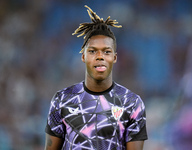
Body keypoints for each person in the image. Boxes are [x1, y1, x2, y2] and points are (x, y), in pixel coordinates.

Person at [44, 5, 148, 150]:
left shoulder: (132, 103)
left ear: (115, 57)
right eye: (93, 51)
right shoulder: (61, 100)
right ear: (83, 56)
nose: (100, 57)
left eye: (106, 52)